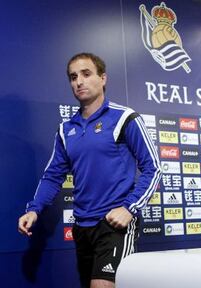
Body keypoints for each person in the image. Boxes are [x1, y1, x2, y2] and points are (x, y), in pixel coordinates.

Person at [18, 52, 162, 288]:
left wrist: (129, 208)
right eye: (73, 77)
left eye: (86, 74)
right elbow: (53, 176)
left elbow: (153, 168)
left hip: (114, 225)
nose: (79, 82)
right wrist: (34, 210)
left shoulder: (125, 117)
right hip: (82, 226)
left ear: (103, 78)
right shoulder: (66, 129)